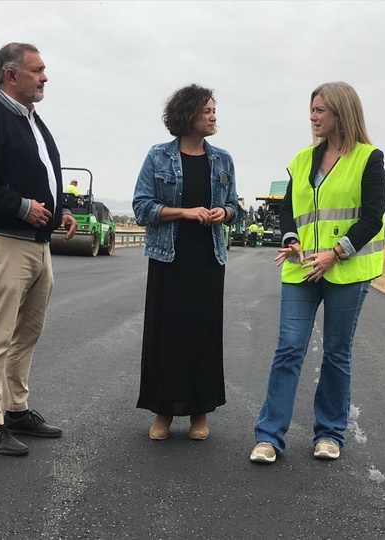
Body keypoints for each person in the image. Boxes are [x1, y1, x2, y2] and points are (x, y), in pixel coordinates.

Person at [249, 81, 385, 464]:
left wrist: (336, 253)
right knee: (289, 348)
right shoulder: (301, 160)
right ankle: (269, 437)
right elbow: (288, 210)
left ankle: (329, 435)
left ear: (342, 113)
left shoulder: (368, 159)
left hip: (347, 270)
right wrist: (291, 238)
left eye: (320, 110)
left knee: (336, 352)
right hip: (301, 267)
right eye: (311, 110)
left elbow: (372, 217)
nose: (313, 117)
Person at [0, 42, 76, 456]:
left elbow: (38, 177)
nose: (45, 77)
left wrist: (59, 213)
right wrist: (21, 207)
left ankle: (15, 410)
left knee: (26, 333)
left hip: (37, 246)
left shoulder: (34, 122)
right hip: (3, 243)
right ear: (11, 75)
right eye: (37, 70)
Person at [132, 84, 241, 441]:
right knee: (166, 335)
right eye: (207, 110)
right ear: (188, 115)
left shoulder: (222, 160)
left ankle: (199, 413)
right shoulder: (158, 157)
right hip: (169, 258)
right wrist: (184, 212)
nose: (214, 117)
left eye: (214, 110)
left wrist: (222, 212)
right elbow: (141, 208)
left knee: (203, 335)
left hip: (208, 259)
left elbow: (235, 209)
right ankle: (162, 412)